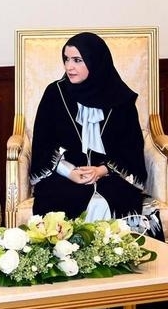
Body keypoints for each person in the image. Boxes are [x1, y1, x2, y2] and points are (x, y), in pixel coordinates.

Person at [30, 32, 148, 223]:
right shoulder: (55, 93)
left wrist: (101, 170)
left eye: (77, 60)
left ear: (96, 62)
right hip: (64, 177)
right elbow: (43, 145)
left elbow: (130, 148)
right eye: (66, 59)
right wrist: (70, 172)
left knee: (114, 201)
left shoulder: (121, 100)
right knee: (62, 201)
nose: (69, 66)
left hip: (110, 176)